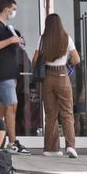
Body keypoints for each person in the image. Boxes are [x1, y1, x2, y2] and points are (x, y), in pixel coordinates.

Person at [32, 14, 80, 158]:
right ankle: (70, 146)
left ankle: (50, 149)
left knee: (50, 114)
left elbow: (34, 61)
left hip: (47, 77)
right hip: (62, 75)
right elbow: (77, 59)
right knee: (67, 113)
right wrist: (67, 62)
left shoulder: (42, 39)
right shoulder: (66, 38)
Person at [0, 0, 29, 155]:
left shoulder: (6, 27)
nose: (14, 12)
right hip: (3, 73)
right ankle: (12, 142)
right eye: (13, 9)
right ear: (6, 9)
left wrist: (16, 40)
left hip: (10, 72)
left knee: (2, 109)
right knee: (12, 106)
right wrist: (11, 40)